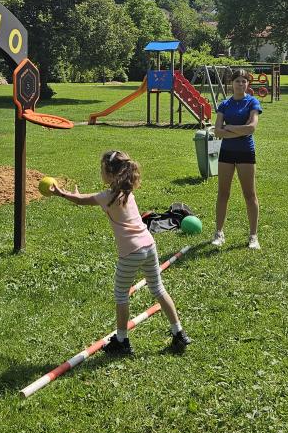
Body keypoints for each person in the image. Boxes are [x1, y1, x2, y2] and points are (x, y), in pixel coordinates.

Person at [52, 150, 190, 355]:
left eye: (101, 169)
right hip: (149, 246)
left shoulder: (107, 197)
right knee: (158, 288)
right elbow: (85, 198)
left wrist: (62, 193)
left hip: (130, 253)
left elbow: (82, 200)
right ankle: (179, 333)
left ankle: (122, 341)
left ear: (109, 173)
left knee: (121, 295)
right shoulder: (128, 192)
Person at [211, 68, 262, 249]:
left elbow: (251, 128)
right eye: (238, 81)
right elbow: (217, 131)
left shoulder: (252, 103)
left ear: (248, 84)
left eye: (244, 81)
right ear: (231, 83)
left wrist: (229, 127)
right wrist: (238, 130)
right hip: (227, 153)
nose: (241, 84)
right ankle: (219, 232)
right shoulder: (224, 105)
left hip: (246, 153)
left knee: (250, 195)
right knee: (223, 193)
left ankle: (253, 236)